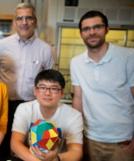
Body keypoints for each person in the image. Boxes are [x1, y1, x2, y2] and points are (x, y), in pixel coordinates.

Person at [70, 10, 134, 161]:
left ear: (107, 29)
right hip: (90, 140)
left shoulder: (128, 57)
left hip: (122, 142)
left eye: (97, 27)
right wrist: (79, 137)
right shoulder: (76, 62)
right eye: (86, 29)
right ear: (81, 33)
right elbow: (78, 100)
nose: (91, 32)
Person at [0, 2, 54, 155]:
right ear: (15, 22)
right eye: (20, 18)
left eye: (28, 18)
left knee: (31, 147)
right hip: (5, 106)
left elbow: (49, 82)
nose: (24, 22)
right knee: (6, 146)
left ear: (35, 21)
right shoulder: (1, 46)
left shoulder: (46, 50)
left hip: (32, 107)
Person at [11, 69, 83, 161]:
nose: (47, 93)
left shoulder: (74, 116)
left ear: (62, 92)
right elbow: (15, 143)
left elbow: (76, 151)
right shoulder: (24, 109)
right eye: (42, 87)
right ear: (35, 90)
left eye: (53, 88)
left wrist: (55, 159)